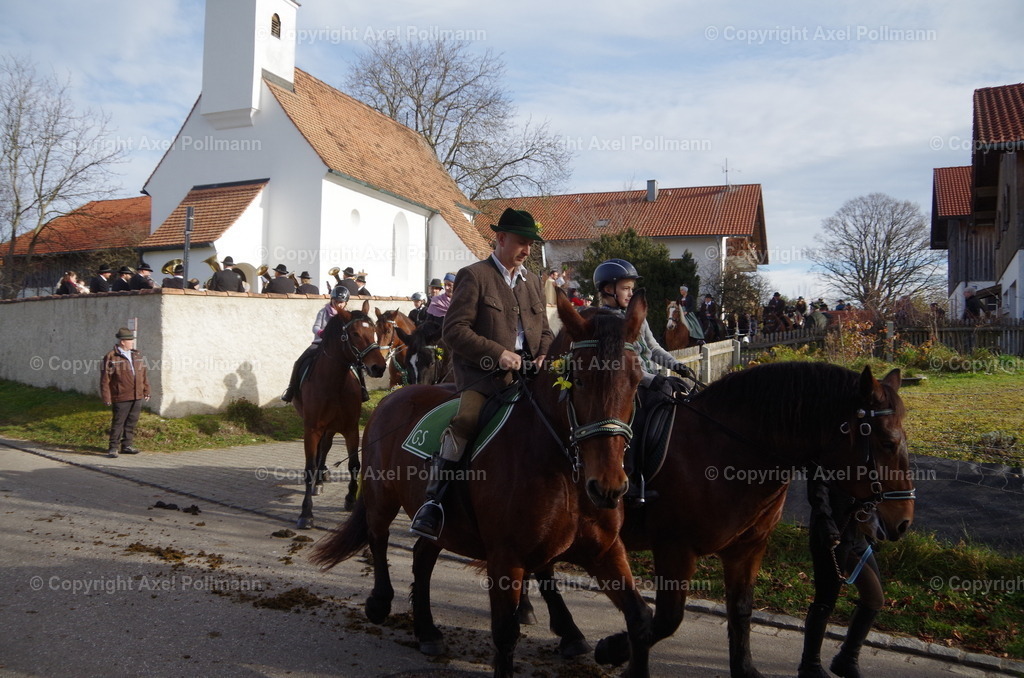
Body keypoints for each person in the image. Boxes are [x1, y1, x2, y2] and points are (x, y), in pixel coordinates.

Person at [410, 208, 553, 540]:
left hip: (531, 377)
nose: (527, 250)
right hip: (484, 379)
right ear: (501, 239)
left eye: (531, 244)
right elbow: (454, 331)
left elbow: (544, 330)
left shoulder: (533, 282)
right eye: (522, 242)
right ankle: (434, 502)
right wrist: (498, 354)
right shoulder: (474, 275)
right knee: (466, 422)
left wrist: (545, 354)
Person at [798, 475, 884, 678]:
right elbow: (818, 488)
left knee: (875, 599)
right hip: (833, 535)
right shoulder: (830, 446)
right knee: (825, 601)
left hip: (857, 536)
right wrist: (825, 522)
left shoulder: (868, 449)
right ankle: (809, 666)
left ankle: (847, 658)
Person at [282, 285, 351, 403]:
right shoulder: (323, 312)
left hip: (340, 346)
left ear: (345, 303)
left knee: (356, 363)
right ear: (332, 300)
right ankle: (291, 389)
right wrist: (321, 333)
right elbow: (315, 327)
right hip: (320, 343)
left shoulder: (347, 315)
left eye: (342, 302)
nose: (339, 304)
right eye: (337, 301)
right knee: (299, 361)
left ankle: (362, 389)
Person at [100, 327, 150, 458]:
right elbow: (105, 379)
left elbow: (143, 375)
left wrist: (146, 390)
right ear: (123, 341)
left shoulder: (136, 355)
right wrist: (106, 396)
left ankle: (127, 445)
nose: (132, 342)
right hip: (121, 395)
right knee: (118, 422)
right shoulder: (111, 356)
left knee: (131, 421)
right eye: (130, 340)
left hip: (136, 395)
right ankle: (113, 448)